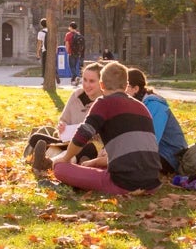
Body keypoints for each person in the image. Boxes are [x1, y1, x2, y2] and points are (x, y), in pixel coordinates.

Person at [34, 60, 161, 194]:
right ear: (126, 86)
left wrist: (65, 159)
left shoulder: (103, 103)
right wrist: (95, 163)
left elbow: (81, 136)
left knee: (60, 168)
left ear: (101, 85)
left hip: (123, 184)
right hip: (151, 183)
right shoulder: (142, 107)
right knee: (91, 167)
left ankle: (63, 174)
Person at [128, 66, 189, 174]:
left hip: (170, 157)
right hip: (155, 153)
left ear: (135, 89)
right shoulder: (136, 106)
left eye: (124, 86)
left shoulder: (155, 106)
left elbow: (151, 140)